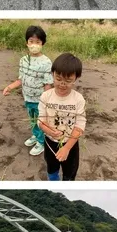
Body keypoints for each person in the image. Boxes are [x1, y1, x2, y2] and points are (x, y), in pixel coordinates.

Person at [3, 25, 53, 157]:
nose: (34, 45)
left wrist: (46, 101)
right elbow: (21, 79)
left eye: (38, 42)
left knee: (41, 121)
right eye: (31, 41)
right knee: (32, 120)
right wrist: (10, 87)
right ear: (27, 43)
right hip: (28, 98)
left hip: (40, 100)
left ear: (42, 43)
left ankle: (41, 142)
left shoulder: (46, 62)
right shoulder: (24, 60)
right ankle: (36, 136)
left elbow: (48, 83)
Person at [38, 53, 86, 181]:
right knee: (52, 170)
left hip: (70, 143)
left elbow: (79, 126)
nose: (62, 84)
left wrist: (67, 148)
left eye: (68, 81)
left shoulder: (78, 99)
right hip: (50, 143)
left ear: (76, 78)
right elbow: (40, 121)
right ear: (52, 74)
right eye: (58, 79)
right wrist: (49, 131)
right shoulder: (46, 97)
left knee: (69, 174)